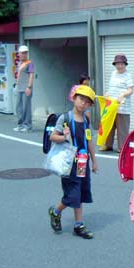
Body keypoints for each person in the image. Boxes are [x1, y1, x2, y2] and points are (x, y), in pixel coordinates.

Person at [48, 85, 98, 239]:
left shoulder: (86, 120)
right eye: (81, 99)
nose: (83, 103)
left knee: (80, 192)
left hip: (83, 162)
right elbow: (52, 137)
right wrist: (64, 137)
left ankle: (78, 225)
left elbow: (89, 141)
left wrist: (94, 161)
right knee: (72, 194)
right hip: (69, 163)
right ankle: (56, 211)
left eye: (87, 102)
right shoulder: (65, 118)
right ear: (74, 98)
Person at [100, 54, 133, 152]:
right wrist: (107, 94)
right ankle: (107, 145)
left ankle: (122, 147)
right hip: (111, 105)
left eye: (121, 64)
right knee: (109, 125)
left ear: (125, 64)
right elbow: (111, 88)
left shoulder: (128, 75)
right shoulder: (113, 73)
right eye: (117, 64)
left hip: (122, 106)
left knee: (122, 128)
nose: (119, 66)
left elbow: (130, 90)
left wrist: (123, 95)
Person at [14, 45, 34, 132]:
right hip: (19, 88)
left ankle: (27, 125)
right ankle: (20, 124)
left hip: (26, 88)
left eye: (25, 53)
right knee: (18, 107)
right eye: (22, 53)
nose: (24, 54)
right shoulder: (19, 63)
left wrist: (29, 87)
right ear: (19, 54)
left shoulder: (30, 63)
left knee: (26, 107)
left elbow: (31, 75)